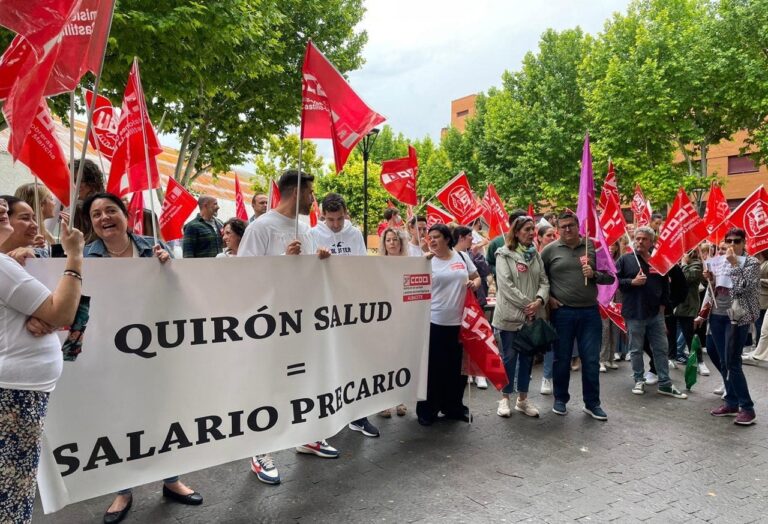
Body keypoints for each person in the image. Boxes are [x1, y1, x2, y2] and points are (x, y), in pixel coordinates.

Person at [80, 193, 203, 522]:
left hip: (157, 348)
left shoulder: (154, 246)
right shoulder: (84, 255)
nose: (104, 217)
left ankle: (172, 479)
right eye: (96, 214)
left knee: (164, 413)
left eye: (110, 210)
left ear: (125, 215)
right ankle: (123, 489)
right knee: (120, 418)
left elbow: (182, 291)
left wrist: (169, 269)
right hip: (111, 352)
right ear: (91, 223)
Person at [238, 170, 337, 486]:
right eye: (310, 192)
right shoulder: (260, 228)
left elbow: (305, 276)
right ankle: (260, 451)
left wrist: (319, 260)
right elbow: (242, 277)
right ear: (295, 192)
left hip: (303, 322)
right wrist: (282, 260)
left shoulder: (305, 230)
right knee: (267, 388)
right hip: (270, 326)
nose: (313, 198)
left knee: (303, 382)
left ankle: (307, 438)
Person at [0, 198, 83, 524]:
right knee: (12, 495)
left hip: (18, 393)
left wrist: (46, 314)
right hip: (14, 395)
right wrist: (75, 255)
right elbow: (61, 309)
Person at [311, 193, 380, 437]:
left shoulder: (354, 233)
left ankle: (358, 417)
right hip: (324, 309)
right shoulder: (313, 234)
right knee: (327, 363)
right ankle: (326, 418)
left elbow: (362, 266)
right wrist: (316, 260)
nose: (336, 225)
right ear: (323, 216)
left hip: (351, 307)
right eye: (331, 220)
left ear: (345, 213)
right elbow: (305, 273)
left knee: (355, 362)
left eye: (340, 219)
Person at [541, 211, 613, 420]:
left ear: (578, 225)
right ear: (557, 229)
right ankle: (560, 399)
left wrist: (595, 274)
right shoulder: (549, 250)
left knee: (590, 359)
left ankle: (592, 403)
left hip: (590, 312)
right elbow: (540, 279)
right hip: (562, 313)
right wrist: (549, 298)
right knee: (561, 359)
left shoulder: (592, 246)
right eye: (563, 226)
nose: (567, 229)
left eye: (571, 225)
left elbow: (610, 277)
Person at [416, 224, 481, 426]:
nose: (432, 241)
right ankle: (428, 410)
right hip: (434, 322)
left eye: (436, 237)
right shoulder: (426, 261)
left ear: (446, 238)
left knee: (457, 370)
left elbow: (476, 277)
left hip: (460, 323)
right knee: (433, 369)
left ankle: (453, 407)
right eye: (429, 237)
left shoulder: (461, 257)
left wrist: (475, 284)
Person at [615, 227, 688, 399]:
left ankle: (665, 383)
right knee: (635, 349)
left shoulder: (657, 260)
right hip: (634, 313)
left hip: (656, 314)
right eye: (637, 238)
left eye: (644, 239)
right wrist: (632, 282)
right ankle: (638, 379)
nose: (640, 241)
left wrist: (663, 307)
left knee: (661, 348)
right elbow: (615, 281)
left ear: (651, 242)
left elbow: (665, 286)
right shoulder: (626, 259)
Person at [493, 215, 550, 418]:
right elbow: (506, 286)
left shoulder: (536, 255)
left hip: (531, 318)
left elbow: (544, 281)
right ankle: (505, 398)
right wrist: (529, 305)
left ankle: (523, 400)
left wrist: (539, 301)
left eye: (532, 229)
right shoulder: (504, 254)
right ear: (516, 232)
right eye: (526, 229)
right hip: (509, 317)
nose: (531, 233)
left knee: (527, 358)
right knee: (509, 357)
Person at [703, 228, 760, 425]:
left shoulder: (752, 262)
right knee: (717, 355)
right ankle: (731, 402)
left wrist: (734, 264)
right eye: (729, 240)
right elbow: (716, 289)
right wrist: (710, 278)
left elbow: (745, 286)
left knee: (732, 361)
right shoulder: (719, 260)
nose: (732, 244)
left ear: (745, 242)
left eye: (737, 241)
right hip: (717, 315)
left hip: (737, 317)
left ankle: (747, 408)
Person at [377, 226, 409, 418]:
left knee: (401, 359)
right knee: (384, 361)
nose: (392, 243)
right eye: (388, 240)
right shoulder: (379, 264)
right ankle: (383, 402)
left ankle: (400, 400)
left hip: (403, 318)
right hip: (384, 318)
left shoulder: (410, 264)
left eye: (395, 240)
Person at [454, 226, 490, 389]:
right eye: (469, 236)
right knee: (462, 341)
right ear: (461, 238)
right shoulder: (451, 255)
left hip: (476, 301)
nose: (472, 240)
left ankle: (479, 373)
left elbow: (482, 274)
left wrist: (476, 255)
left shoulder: (470, 254)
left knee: (476, 337)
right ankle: (467, 371)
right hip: (456, 306)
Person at [674, 249, 708, 374]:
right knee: (670, 335)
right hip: (673, 305)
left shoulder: (697, 264)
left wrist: (683, 264)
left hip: (687, 306)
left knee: (690, 336)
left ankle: (700, 362)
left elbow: (687, 278)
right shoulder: (674, 262)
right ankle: (671, 357)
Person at [537, 222, 558, 395]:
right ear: (539, 238)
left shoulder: (558, 253)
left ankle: (547, 377)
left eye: (553, 235)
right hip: (538, 304)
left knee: (551, 343)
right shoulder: (534, 256)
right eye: (548, 235)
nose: (552, 238)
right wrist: (546, 298)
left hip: (556, 305)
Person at [0, 196, 48, 263]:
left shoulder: (41, 254)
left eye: (34, 219)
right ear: (4, 220)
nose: (35, 225)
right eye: (25, 218)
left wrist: (34, 255)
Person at [598, 241, 622, 373]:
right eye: (609, 245)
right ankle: (601, 359)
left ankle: (611, 357)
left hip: (617, 299)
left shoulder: (620, 261)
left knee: (615, 329)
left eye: (614, 245)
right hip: (604, 300)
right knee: (605, 330)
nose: (612, 247)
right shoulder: (601, 262)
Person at [744, 249, 768, 364]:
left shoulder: (767, 264)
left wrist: (759, 280)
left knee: (761, 326)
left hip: (764, 298)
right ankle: (757, 351)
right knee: (760, 327)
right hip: (758, 297)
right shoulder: (759, 263)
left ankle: (758, 351)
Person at [487, 209, 526, 278]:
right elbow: (489, 263)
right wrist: (501, 272)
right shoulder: (496, 242)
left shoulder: (530, 243)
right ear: (513, 224)